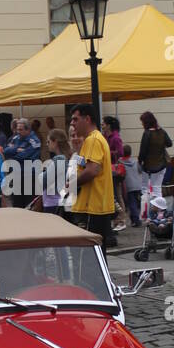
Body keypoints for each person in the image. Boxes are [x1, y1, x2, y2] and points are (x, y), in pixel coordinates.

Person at [66, 104, 116, 249]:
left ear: (87, 119)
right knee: (97, 255)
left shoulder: (92, 139)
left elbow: (92, 170)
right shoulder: (95, 139)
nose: (72, 123)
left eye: (75, 119)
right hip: (97, 206)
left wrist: (72, 184)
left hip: (92, 207)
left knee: (89, 257)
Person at [3, 118, 42, 207]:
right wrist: (17, 149)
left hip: (29, 178)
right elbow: (5, 151)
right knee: (17, 205)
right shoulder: (15, 138)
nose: (18, 132)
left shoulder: (34, 141)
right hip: (16, 176)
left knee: (29, 205)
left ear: (28, 130)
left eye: (20, 129)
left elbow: (25, 156)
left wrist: (13, 154)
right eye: (17, 129)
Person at [138, 111, 172, 197]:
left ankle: (146, 208)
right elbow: (169, 143)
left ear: (146, 122)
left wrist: (139, 162)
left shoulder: (147, 133)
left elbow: (143, 151)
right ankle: (159, 209)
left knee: (145, 189)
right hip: (162, 165)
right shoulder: (162, 132)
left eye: (142, 122)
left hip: (149, 167)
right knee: (157, 189)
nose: (142, 124)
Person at [42, 129, 70, 214]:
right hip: (58, 201)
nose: (47, 144)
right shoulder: (67, 156)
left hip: (53, 202)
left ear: (55, 142)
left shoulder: (59, 159)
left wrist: (43, 170)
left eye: (48, 141)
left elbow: (43, 181)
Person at [120, 143, 146, 227]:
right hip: (138, 184)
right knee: (136, 203)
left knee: (132, 204)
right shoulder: (135, 161)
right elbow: (141, 170)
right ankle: (134, 220)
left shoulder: (120, 162)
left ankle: (136, 220)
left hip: (128, 186)